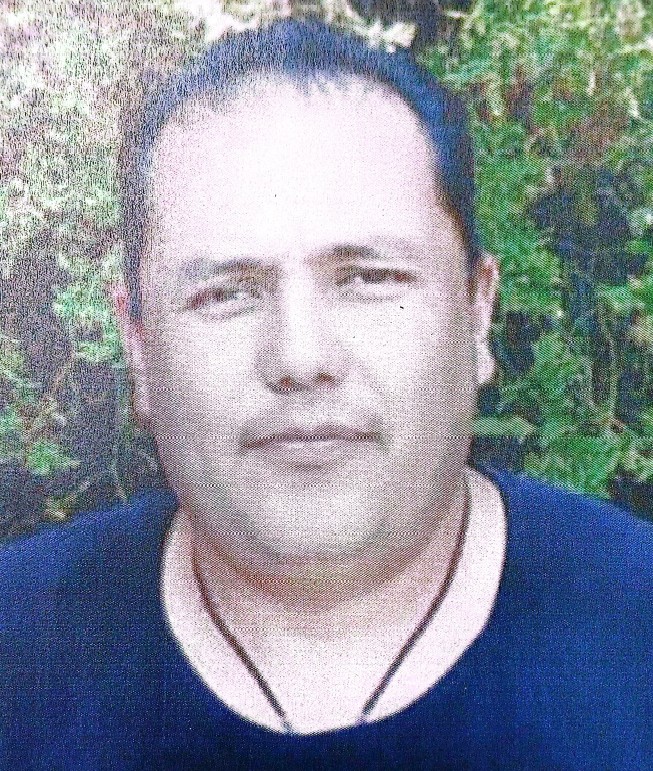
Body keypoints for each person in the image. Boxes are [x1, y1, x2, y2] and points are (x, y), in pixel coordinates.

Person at [1, 19, 651, 770]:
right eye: (225, 293)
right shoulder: (20, 650)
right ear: (139, 345)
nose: (301, 358)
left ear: (477, 311)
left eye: (368, 278)